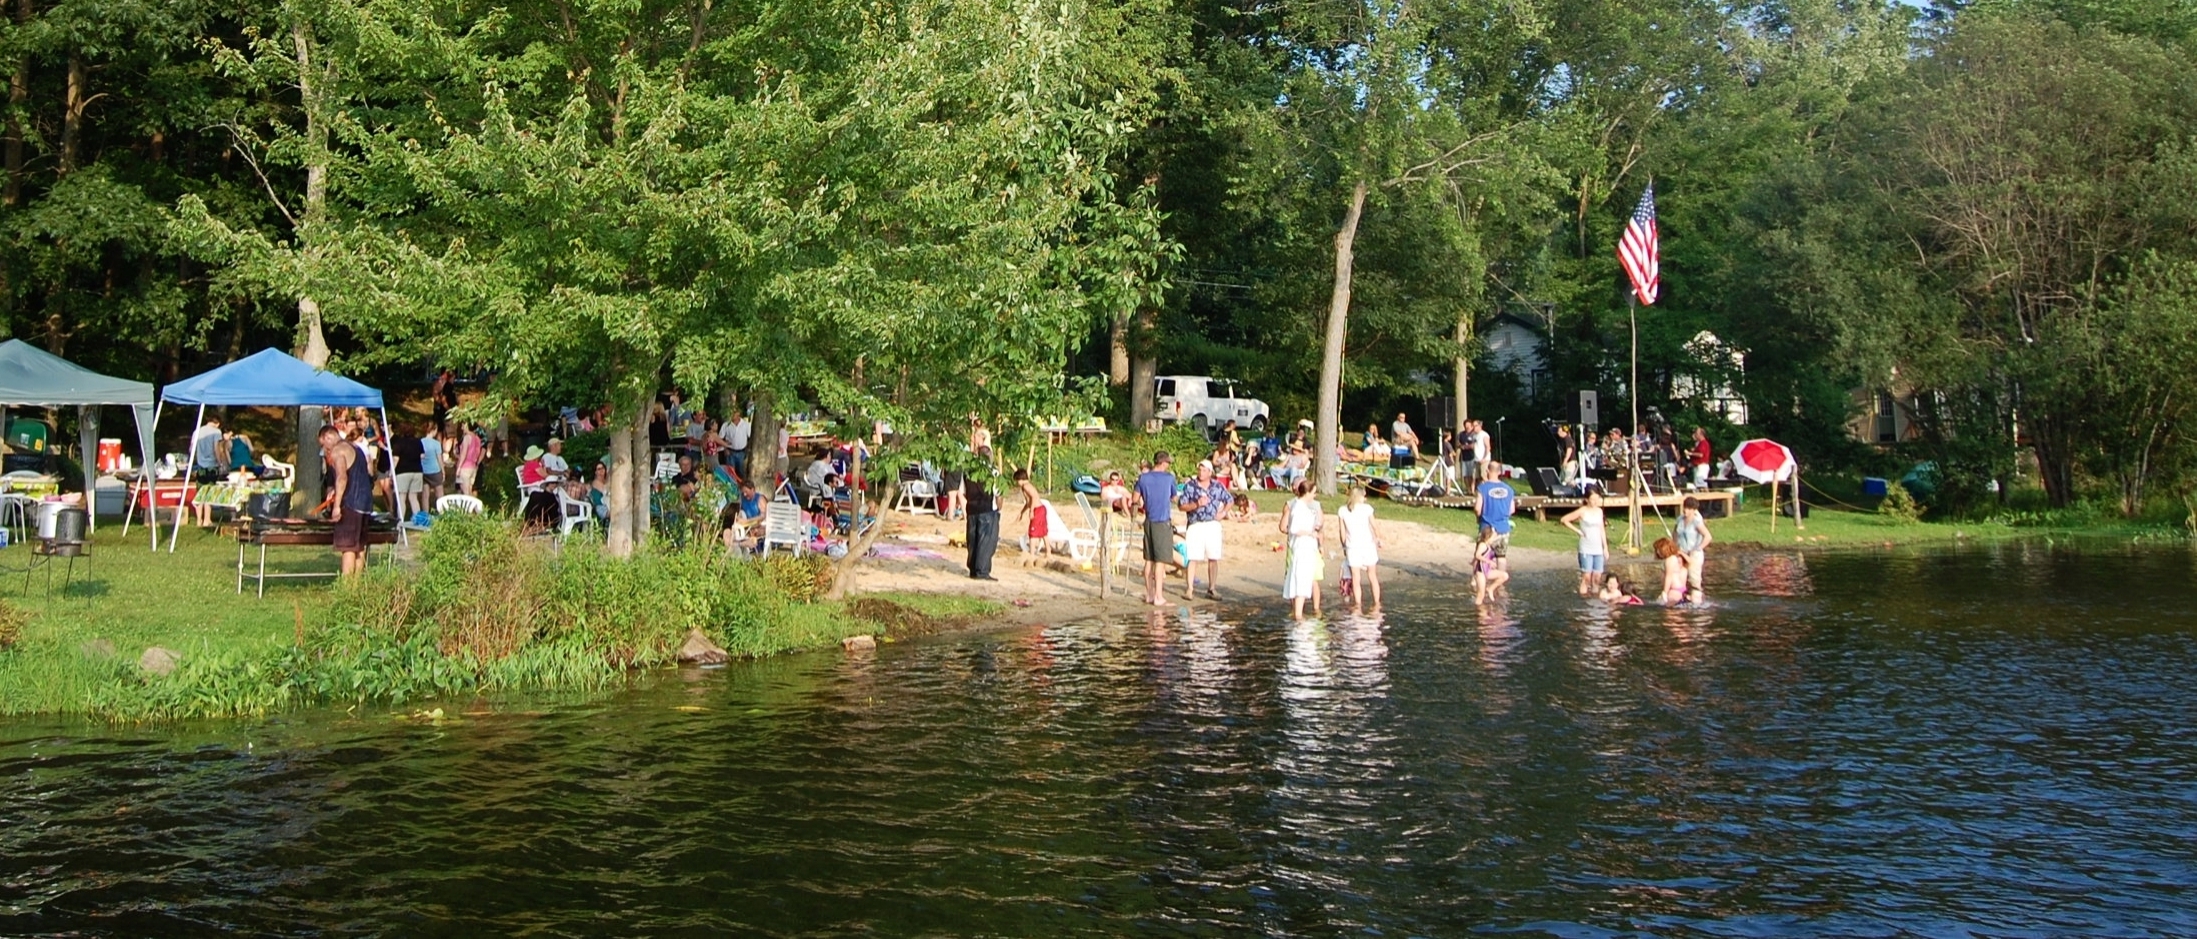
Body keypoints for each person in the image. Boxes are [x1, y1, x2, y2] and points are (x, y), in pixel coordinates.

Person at [320, 424, 373, 578]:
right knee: (359, 547)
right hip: (365, 503)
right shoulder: (356, 448)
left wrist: (336, 506)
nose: (325, 450)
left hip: (351, 504)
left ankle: (346, 587)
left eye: (324, 445)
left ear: (328, 437)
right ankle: (356, 587)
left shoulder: (338, 451)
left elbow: (342, 477)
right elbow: (361, 475)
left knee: (348, 546)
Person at [1177, 459, 1232, 600]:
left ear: (1210, 472)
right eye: (1199, 470)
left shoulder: (1217, 486)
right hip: (1195, 523)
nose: (1201, 473)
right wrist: (1196, 504)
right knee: (1193, 557)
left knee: (1213, 557)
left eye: (1204, 470)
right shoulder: (1190, 486)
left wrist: (1223, 512)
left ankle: (1212, 588)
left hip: (1212, 524)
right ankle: (1189, 589)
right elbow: (1181, 506)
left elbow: (1229, 500)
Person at [1133, 451, 1178, 605]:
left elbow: (1135, 499)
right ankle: (1158, 597)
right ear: (1163, 462)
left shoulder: (1143, 478)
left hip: (1149, 521)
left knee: (1149, 560)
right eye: (1168, 463)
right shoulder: (1168, 478)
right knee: (1160, 562)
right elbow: (1174, 497)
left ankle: (1149, 594)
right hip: (1162, 521)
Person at [1278, 479, 1324, 619]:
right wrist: (1311, 533)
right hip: (1302, 550)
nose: (1315, 496)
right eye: (1313, 492)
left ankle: (1298, 615)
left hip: (1306, 549)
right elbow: (1294, 528)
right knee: (1301, 582)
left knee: (1304, 582)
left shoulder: (1302, 506)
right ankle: (1298, 616)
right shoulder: (1298, 507)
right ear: (1307, 493)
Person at [1336, 484, 1382, 612]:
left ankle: (1358, 605)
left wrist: (1344, 546)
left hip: (1352, 547)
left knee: (1356, 579)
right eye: (1364, 496)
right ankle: (1377, 604)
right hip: (1367, 546)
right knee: (1372, 576)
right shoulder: (1367, 509)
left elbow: (1342, 531)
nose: (1365, 498)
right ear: (1360, 496)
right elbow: (1374, 526)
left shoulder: (1343, 510)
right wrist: (1378, 538)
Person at [1560, 489, 1608, 597]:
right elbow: (1564, 519)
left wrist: (1605, 547)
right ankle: (1583, 599)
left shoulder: (1599, 511)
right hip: (1586, 547)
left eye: (1597, 499)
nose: (1595, 501)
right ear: (1587, 499)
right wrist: (1578, 531)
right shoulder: (1582, 511)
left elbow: (1601, 529)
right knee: (1586, 576)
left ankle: (1595, 597)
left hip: (1598, 548)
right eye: (1592, 499)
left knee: (1597, 576)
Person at [1473, 460, 1516, 574]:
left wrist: (1478, 518)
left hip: (1487, 527)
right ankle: (1500, 581)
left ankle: (1477, 580)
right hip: (1503, 528)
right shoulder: (1509, 489)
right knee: (1501, 556)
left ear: (1488, 471)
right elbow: (1512, 510)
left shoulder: (1483, 488)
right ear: (1499, 472)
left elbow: (1478, 508)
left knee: (1481, 554)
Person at [964, 448, 1001, 580]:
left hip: (971, 509)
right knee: (986, 541)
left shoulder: (968, 471)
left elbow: (963, 491)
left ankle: (973, 569)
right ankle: (982, 571)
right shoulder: (993, 472)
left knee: (973, 540)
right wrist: (999, 510)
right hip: (987, 508)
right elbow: (998, 493)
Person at [1014, 467, 1060, 558]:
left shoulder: (1026, 486)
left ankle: (1032, 554)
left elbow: (1034, 497)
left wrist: (1031, 511)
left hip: (1037, 510)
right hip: (1041, 509)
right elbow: (1028, 502)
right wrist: (1022, 512)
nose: (1017, 483)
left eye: (1017, 481)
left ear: (1021, 479)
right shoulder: (1027, 486)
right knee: (1043, 532)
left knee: (1033, 532)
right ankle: (1048, 552)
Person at [1674, 495, 1713, 597]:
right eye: (1685, 507)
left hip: (1694, 553)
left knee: (1694, 578)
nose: (1685, 510)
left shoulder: (1697, 522)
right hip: (1682, 552)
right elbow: (1675, 532)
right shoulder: (1680, 520)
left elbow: (1708, 536)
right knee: (1679, 575)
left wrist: (1698, 548)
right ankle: (1681, 596)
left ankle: (1698, 599)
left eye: (1689, 508)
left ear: (1694, 510)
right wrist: (1675, 546)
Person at [191, 416, 224, 526]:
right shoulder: (216, 432)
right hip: (211, 466)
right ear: (217, 423)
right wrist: (220, 462)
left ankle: (198, 520)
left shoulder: (197, 431)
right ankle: (207, 520)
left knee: (200, 493)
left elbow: (192, 448)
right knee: (209, 493)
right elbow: (216, 448)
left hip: (200, 465)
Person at [389, 424, 426, 522]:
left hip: (403, 472)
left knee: (402, 497)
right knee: (413, 497)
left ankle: (400, 520)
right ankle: (418, 520)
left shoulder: (399, 443)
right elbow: (422, 456)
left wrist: (391, 473)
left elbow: (395, 459)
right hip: (417, 471)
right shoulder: (418, 442)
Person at [1471, 528, 1510, 604]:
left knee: (1504, 576)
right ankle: (1478, 612)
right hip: (1480, 572)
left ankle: (1490, 588)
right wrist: (1488, 562)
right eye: (1493, 537)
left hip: (1487, 570)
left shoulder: (1489, 546)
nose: (1494, 539)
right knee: (1481, 595)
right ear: (1488, 537)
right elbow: (1477, 555)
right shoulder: (1482, 545)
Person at [1654, 537, 1691, 604]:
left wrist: (1665, 592)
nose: (1657, 552)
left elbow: (1669, 577)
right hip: (1681, 590)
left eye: (1658, 549)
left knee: (1670, 612)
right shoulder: (1674, 559)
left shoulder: (1670, 559)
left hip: (1674, 590)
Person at [456, 423, 484, 496]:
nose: (462, 428)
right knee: (469, 490)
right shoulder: (477, 438)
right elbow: (478, 452)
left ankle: (472, 507)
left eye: (463, 426)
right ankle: (474, 506)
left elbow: (464, 453)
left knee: (465, 491)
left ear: (467, 426)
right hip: (473, 467)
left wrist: (459, 467)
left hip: (465, 467)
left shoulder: (467, 437)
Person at [725, 410, 753, 480]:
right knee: (730, 473)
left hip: (741, 452)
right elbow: (720, 437)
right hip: (730, 452)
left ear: (738, 414)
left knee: (741, 473)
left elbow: (751, 437)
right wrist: (725, 449)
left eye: (734, 413)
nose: (731, 415)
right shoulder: (726, 425)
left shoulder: (746, 424)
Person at [419, 428, 444, 504]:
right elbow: (439, 459)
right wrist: (443, 471)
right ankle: (442, 512)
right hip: (435, 471)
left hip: (424, 471)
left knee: (425, 495)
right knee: (439, 493)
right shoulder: (436, 443)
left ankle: (425, 514)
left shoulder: (420, 442)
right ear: (433, 430)